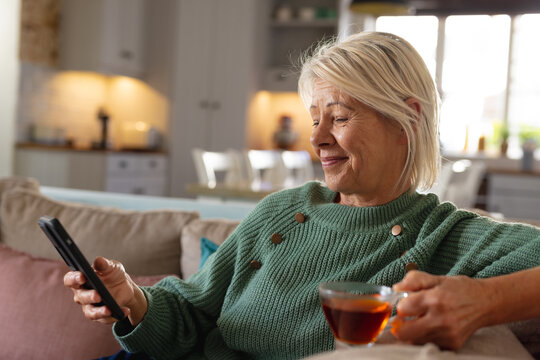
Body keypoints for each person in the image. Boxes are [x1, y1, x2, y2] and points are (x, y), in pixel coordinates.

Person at [65, 32, 540, 359]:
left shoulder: (448, 237)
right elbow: (192, 312)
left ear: (406, 120)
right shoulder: (282, 212)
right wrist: (132, 300)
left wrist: (483, 301)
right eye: (315, 118)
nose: (317, 139)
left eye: (339, 116)